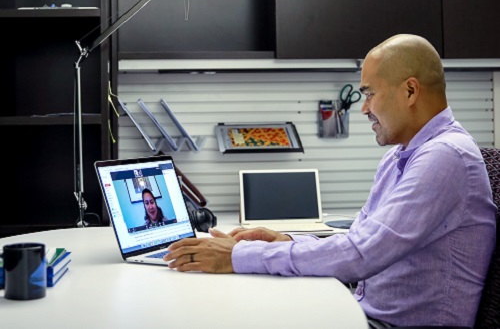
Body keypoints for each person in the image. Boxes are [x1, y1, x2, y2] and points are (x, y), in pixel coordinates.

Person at [164, 34, 497, 328]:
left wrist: (235, 256)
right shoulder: (401, 155)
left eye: (369, 93)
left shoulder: (445, 156)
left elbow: (359, 255)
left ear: (410, 90)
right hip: (365, 313)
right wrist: (282, 241)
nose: (364, 107)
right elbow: (358, 240)